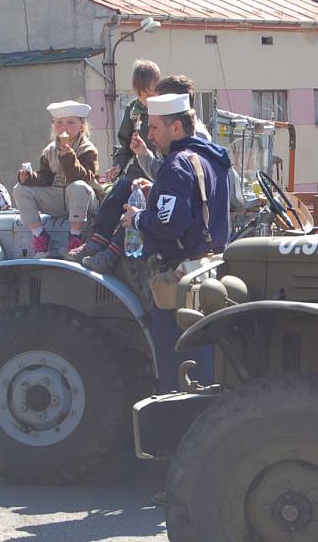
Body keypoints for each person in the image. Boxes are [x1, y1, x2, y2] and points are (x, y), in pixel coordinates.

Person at [114, 93, 230, 394]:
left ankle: (176, 437)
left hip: (180, 280)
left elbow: (168, 223)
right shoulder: (212, 158)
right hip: (211, 274)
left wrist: (138, 219)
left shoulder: (176, 165)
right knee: (207, 367)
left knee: (178, 372)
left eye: (154, 128)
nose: (149, 136)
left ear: (176, 128)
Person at [68, 75, 211, 268]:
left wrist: (138, 217)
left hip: (189, 237)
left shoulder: (194, 141)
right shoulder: (180, 143)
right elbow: (173, 180)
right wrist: (143, 157)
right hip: (187, 215)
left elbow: (174, 206)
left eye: (159, 101)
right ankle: (99, 241)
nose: (150, 133)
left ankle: (112, 253)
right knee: (127, 186)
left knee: (139, 209)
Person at [12, 101, 102, 258]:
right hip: (58, 197)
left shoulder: (87, 149)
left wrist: (68, 156)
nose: (64, 127)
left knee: (77, 186)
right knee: (19, 189)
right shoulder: (49, 150)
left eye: (70, 122)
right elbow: (45, 178)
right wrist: (29, 178)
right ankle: (39, 235)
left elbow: (84, 178)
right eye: (59, 122)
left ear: (81, 126)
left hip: (84, 200)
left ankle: (75, 237)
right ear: (53, 125)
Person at [108, 59, 160, 184]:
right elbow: (125, 144)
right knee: (117, 195)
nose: (144, 100)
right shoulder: (133, 110)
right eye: (140, 95)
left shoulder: (166, 111)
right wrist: (119, 165)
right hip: (138, 170)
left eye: (149, 95)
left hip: (160, 168)